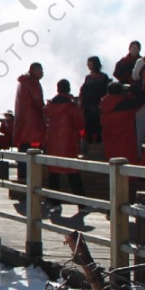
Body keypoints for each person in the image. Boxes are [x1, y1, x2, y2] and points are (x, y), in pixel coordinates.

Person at [43, 78, 85, 217]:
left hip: (53, 143)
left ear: (57, 89)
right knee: (73, 173)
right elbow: (80, 124)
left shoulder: (49, 106)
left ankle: (54, 201)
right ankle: (82, 203)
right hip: (68, 143)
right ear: (68, 89)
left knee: (54, 173)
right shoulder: (72, 107)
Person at [12, 63, 46, 214]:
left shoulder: (23, 84)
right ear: (34, 71)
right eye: (41, 70)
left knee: (22, 159)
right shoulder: (32, 84)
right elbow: (39, 103)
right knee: (33, 159)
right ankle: (32, 189)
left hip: (22, 127)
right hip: (33, 127)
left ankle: (22, 188)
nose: (42, 72)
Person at [98, 80, 145, 164]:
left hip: (109, 145)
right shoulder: (126, 104)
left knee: (113, 172)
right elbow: (143, 97)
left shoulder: (102, 106)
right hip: (127, 145)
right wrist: (131, 87)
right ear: (121, 91)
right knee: (129, 171)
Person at [79, 57, 109, 148]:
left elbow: (106, 91)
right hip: (88, 106)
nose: (88, 65)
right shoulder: (88, 78)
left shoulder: (103, 77)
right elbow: (84, 91)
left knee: (99, 125)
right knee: (89, 126)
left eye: (90, 63)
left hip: (99, 105)